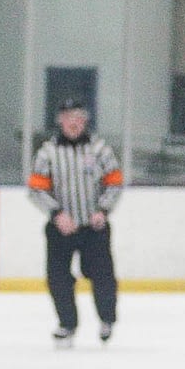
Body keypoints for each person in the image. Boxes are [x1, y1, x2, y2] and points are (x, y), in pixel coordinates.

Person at [27, 98, 123, 347]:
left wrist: (103, 209)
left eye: (78, 116)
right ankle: (67, 324)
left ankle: (106, 318)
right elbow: (36, 189)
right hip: (61, 228)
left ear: (85, 120)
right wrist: (57, 213)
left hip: (94, 227)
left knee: (102, 275)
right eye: (68, 116)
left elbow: (114, 182)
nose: (73, 122)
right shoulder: (48, 152)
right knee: (58, 277)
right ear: (60, 120)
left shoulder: (100, 149)